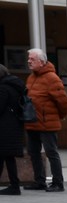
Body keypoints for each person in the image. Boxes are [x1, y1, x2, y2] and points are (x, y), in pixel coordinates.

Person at [23, 49, 67, 192]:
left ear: (42, 62)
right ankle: (39, 181)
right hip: (32, 122)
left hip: (47, 123)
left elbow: (63, 103)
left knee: (51, 152)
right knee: (33, 152)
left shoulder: (52, 78)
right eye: (29, 59)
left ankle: (58, 182)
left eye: (32, 59)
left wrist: (56, 117)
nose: (29, 61)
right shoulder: (31, 77)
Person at [0, 64, 26, 196]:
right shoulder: (15, 86)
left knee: (5, 156)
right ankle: (14, 185)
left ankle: (15, 186)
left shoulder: (3, 88)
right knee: (8, 157)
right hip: (13, 126)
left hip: (5, 128)